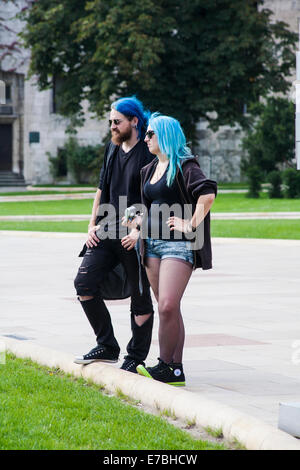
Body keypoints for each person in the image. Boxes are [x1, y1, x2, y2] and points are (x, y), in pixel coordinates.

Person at [124, 113, 217, 386]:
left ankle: (164, 365)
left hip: (179, 245)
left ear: (164, 135)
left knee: (166, 306)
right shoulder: (149, 169)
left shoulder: (185, 166)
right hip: (151, 245)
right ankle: (175, 369)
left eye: (151, 133)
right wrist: (136, 223)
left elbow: (207, 193)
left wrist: (190, 224)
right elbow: (145, 207)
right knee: (170, 309)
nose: (145, 138)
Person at [73, 96, 155, 373]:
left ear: (134, 121)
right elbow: (101, 188)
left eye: (117, 122)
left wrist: (136, 228)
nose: (112, 127)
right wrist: (91, 224)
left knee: (140, 296)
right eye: (110, 122)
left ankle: (136, 356)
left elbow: (148, 197)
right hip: (106, 230)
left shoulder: (147, 152)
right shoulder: (112, 147)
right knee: (83, 283)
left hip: (133, 235)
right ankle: (107, 345)